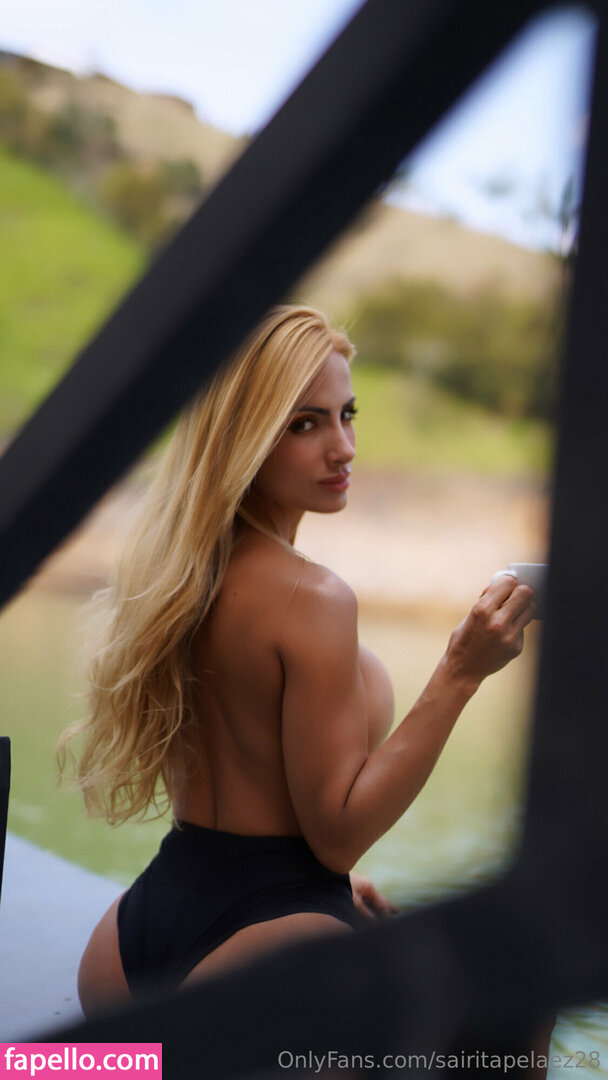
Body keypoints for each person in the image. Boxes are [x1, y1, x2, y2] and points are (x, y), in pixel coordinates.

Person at [60, 304, 536, 1016]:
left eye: (347, 415)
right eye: (305, 425)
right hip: (270, 932)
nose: (343, 448)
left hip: (133, 941)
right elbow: (337, 835)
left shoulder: (183, 575)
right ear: (246, 438)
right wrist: (460, 672)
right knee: (525, 990)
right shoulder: (311, 597)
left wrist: (324, 891)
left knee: (68, 1064)